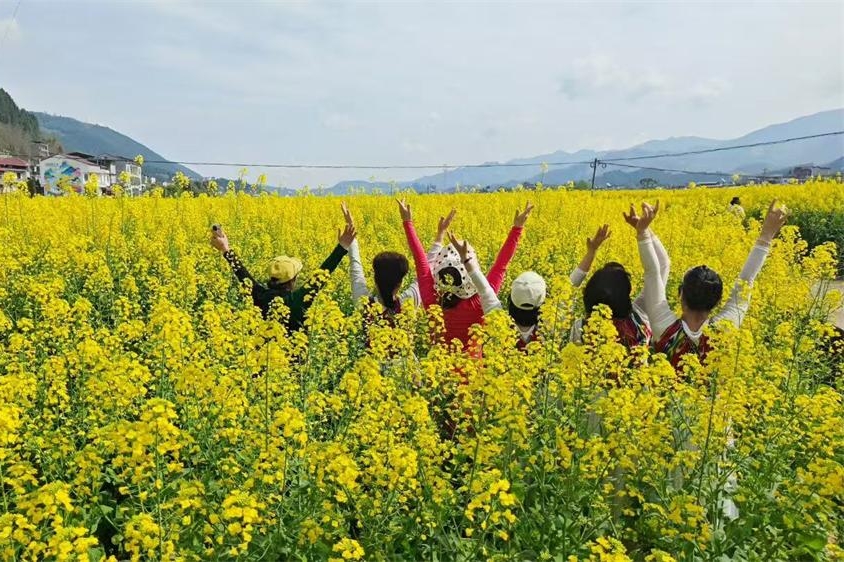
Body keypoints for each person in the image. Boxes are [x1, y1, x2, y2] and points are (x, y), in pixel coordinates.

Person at [636, 200, 787, 369]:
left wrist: (643, 231)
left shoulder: (664, 327)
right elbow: (746, 280)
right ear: (718, 301)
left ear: (680, 295)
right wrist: (767, 234)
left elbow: (653, 272)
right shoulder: (724, 330)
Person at [399, 199, 532, 351]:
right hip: (475, 372)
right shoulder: (483, 299)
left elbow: (421, 262)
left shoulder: (433, 301)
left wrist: (410, 223)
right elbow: (501, 265)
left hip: (437, 371)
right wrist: (517, 228)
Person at [209, 223, 357, 332]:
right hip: (293, 370)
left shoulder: (259, 296)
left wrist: (225, 249)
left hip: (263, 368)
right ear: (293, 280)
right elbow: (322, 274)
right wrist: (342, 246)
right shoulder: (298, 300)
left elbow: (242, 274)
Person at [569, 210, 671, 350]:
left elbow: (566, 291)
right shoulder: (639, 320)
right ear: (625, 295)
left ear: (589, 294)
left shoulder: (580, 329)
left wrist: (591, 252)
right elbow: (662, 266)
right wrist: (643, 231)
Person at [342, 203, 456, 317]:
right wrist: (441, 233)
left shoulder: (363, 303)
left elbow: (355, 266)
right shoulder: (408, 303)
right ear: (400, 284)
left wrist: (350, 229)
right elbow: (425, 271)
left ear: (375, 280)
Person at [447, 232, 546, 350]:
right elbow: (569, 288)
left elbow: (484, 289)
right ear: (542, 304)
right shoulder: (550, 328)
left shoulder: (500, 322)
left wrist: (466, 260)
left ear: (511, 299)